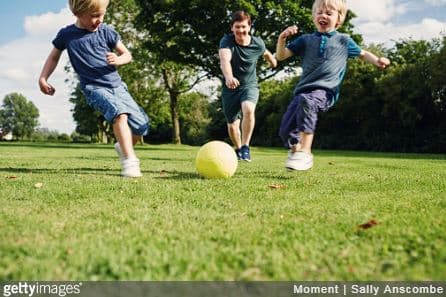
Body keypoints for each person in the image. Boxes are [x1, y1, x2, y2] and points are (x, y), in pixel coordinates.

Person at [38, 0, 149, 178]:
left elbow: (127, 54)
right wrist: (43, 78)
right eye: (94, 16)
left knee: (141, 126)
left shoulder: (107, 32)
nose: (100, 19)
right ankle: (130, 163)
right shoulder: (67, 35)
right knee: (120, 114)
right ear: (78, 14)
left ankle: (122, 146)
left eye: (102, 14)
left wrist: (119, 59)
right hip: (94, 87)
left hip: (118, 86)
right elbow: (53, 58)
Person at [275, 0, 390, 171]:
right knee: (285, 130)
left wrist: (377, 60)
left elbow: (362, 53)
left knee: (309, 101)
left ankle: (305, 152)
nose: (323, 15)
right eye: (320, 12)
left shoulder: (344, 40)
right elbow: (281, 56)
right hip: (302, 91)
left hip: (325, 91)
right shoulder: (305, 40)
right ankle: (296, 151)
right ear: (314, 16)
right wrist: (282, 38)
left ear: (339, 19)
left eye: (329, 13)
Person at [219, 11, 277, 162]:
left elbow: (266, 53)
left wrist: (273, 62)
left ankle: (245, 147)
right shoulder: (227, 41)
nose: (240, 30)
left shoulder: (257, 43)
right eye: (237, 27)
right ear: (232, 28)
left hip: (249, 86)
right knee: (232, 125)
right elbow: (225, 60)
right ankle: (238, 148)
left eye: (244, 27)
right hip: (230, 88)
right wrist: (229, 77)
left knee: (248, 109)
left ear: (249, 26)